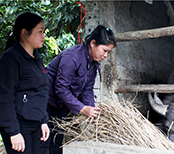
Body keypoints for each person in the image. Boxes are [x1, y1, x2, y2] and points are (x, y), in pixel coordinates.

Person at [39, 25, 116, 154]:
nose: (106, 55)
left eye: (108, 52)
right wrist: (82, 108)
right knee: (44, 138)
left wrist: (91, 110)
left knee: (57, 139)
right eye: (104, 50)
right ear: (93, 43)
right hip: (46, 99)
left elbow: (87, 89)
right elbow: (61, 88)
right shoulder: (72, 57)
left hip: (63, 102)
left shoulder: (93, 63)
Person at [0, 12, 50, 154]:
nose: (43, 36)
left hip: (36, 124)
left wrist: (44, 120)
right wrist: (13, 132)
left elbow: (41, 91)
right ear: (24, 33)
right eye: (40, 31)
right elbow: (4, 97)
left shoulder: (37, 58)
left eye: (44, 32)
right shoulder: (10, 59)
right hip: (20, 125)